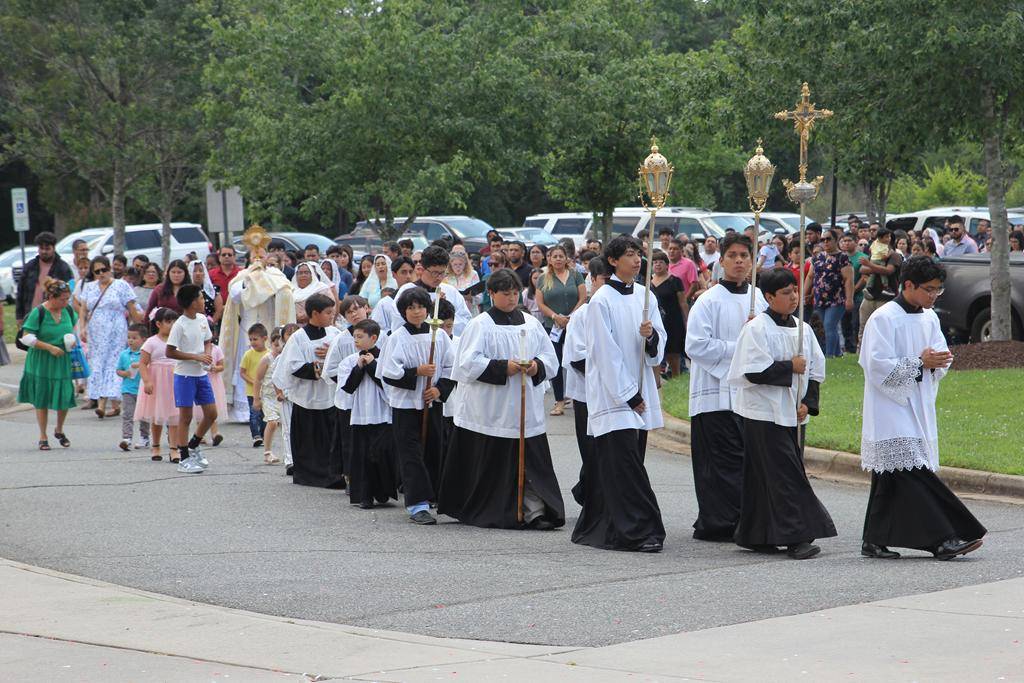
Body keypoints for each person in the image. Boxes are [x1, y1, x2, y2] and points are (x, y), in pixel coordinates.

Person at [859, 256, 986, 560]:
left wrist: (936, 361)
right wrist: (919, 363)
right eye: (929, 289)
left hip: (918, 400)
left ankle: (873, 539)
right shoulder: (884, 318)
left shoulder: (929, 317)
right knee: (914, 471)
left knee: (890, 475)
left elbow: (941, 354)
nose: (933, 296)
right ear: (907, 285)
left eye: (938, 290)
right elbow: (875, 366)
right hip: (890, 407)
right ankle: (944, 537)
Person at [439, 268, 565, 530]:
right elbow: (465, 365)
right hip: (490, 409)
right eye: (505, 293)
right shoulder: (480, 325)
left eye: (515, 292)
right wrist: (502, 367)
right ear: (492, 293)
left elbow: (550, 359)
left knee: (530, 463)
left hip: (524, 407)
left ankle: (534, 511)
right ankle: (493, 508)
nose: (511, 298)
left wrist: (535, 367)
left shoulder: (531, 324)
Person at [727, 269, 836, 559]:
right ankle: (797, 536)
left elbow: (816, 369)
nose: (794, 297)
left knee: (770, 474)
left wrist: (807, 402)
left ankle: (757, 533)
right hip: (762, 413)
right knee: (783, 475)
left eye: (795, 291)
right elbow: (752, 370)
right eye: (786, 293)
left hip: (793, 411)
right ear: (769, 296)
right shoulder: (757, 329)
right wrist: (790, 367)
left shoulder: (804, 329)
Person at [572, 236, 667, 553]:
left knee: (627, 461)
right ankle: (641, 530)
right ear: (612, 261)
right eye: (630, 254)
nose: (638, 260)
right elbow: (604, 353)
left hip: (639, 390)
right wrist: (629, 394)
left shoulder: (645, 296)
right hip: (615, 396)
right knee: (625, 465)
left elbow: (658, 344)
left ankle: (602, 524)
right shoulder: (601, 301)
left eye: (639, 254)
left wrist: (651, 337)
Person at [685, 233, 767, 542]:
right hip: (715, 394)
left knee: (746, 461)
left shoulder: (759, 299)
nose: (739, 261)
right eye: (732, 255)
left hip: (751, 393)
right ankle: (718, 521)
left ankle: (745, 518)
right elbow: (696, 345)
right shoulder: (707, 301)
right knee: (718, 465)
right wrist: (742, 349)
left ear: (751, 261)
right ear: (721, 261)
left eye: (744, 256)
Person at [376, 287, 454, 525]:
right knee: (411, 455)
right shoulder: (397, 337)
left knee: (434, 450)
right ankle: (417, 504)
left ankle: (434, 495)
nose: (417, 312)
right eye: (411, 308)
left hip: (432, 402)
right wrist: (416, 372)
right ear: (403, 311)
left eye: (420, 307)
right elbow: (388, 373)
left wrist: (439, 389)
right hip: (406, 406)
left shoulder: (438, 335)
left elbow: (452, 367)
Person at [272, 293, 342, 487]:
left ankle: (333, 474)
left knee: (329, 438)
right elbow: (292, 366)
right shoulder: (298, 338)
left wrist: (329, 357)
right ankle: (308, 475)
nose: (331, 316)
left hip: (329, 395)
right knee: (309, 439)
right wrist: (317, 368)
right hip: (307, 396)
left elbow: (344, 356)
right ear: (314, 313)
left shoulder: (335, 334)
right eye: (328, 312)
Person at [220, 247, 295, 424]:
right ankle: (245, 411)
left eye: (261, 257)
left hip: (268, 330)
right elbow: (236, 295)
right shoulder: (242, 277)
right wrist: (251, 279)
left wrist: (265, 280)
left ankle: (270, 409)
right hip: (247, 332)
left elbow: (285, 293)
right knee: (246, 368)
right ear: (248, 260)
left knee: (268, 370)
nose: (258, 260)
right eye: (255, 257)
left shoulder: (275, 276)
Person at [337, 319, 396, 508]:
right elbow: (347, 388)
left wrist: (372, 366)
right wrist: (360, 367)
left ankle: (383, 492)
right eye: (354, 336)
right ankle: (365, 495)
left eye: (360, 336)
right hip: (360, 414)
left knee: (379, 454)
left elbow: (389, 385)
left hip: (382, 413)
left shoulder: (385, 360)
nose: (356, 340)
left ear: (374, 338)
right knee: (362, 455)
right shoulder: (350, 361)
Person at [563, 258, 606, 505]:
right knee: (591, 449)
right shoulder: (582, 315)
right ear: (591, 280)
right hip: (588, 394)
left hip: (620, 393)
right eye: (605, 280)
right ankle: (591, 496)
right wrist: (611, 375)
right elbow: (578, 358)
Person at [17, 278, 77, 450]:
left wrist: (71, 342)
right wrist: (49, 347)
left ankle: (59, 429)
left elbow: (72, 329)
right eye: (63, 299)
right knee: (42, 396)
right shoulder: (39, 312)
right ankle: (43, 435)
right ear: (51, 296)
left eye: (68, 298)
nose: (66, 302)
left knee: (64, 395)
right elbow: (26, 337)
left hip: (62, 358)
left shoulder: (68, 311)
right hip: (42, 359)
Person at [79, 256, 143, 418]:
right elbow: (83, 309)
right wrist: (82, 328)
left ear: (110, 269)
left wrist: (139, 329)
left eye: (104, 270)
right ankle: (112, 404)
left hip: (116, 329)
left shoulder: (121, 285)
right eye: (97, 271)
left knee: (113, 363)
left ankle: (104, 403)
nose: (101, 274)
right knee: (98, 363)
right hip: (96, 330)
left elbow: (131, 307)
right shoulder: (89, 287)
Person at [166, 285, 218, 473]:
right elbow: (170, 351)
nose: (204, 301)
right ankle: (184, 458)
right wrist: (196, 357)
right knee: (186, 417)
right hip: (184, 375)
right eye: (201, 298)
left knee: (212, 413)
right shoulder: (179, 325)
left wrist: (207, 354)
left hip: (201, 375)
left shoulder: (203, 319)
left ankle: (194, 444)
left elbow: (207, 340)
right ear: (191, 302)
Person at [323, 295, 372, 485]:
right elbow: (330, 370)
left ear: (366, 308)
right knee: (350, 440)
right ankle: (351, 477)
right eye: (349, 312)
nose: (354, 314)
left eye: (357, 309)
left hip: (374, 395)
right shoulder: (341, 340)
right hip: (350, 397)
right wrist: (350, 380)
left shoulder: (380, 334)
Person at [535, 244, 586, 416]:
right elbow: (540, 303)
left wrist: (572, 316)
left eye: (560, 256)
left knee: (576, 359)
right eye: (554, 256)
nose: (557, 259)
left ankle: (579, 395)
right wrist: (556, 317)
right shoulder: (543, 278)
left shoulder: (576, 275)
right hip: (554, 326)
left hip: (574, 324)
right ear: (549, 259)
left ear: (566, 258)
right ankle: (559, 400)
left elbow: (583, 297)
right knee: (556, 362)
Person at [393, 245, 472, 336]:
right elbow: (398, 324)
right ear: (422, 268)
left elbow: (466, 321)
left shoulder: (451, 291)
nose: (439, 277)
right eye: (435, 273)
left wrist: (445, 312)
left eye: (442, 273)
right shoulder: (407, 291)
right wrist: (431, 310)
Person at [135, 308, 181, 461]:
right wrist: (147, 381)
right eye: (169, 322)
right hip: (157, 381)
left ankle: (174, 448)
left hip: (175, 380)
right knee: (157, 415)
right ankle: (155, 446)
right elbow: (142, 363)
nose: (172, 325)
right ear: (158, 324)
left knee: (175, 415)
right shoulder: (151, 342)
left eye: (175, 321)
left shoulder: (178, 341)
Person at [805, 228, 854, 358]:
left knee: (829, 325)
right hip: (819, 298)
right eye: (823, 239)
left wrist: (849, 299)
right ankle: (838, 354)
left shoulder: (843, 257)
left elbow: (848, 279)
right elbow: (810, 277)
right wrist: (804, 294)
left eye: (828, 239)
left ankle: (829, 355)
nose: (825, 242)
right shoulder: (817, 257)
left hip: (837, 299)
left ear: (835, 240)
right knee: (825, 327)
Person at [15, 231, 75, 327]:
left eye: (47, 249)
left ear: (54, 248)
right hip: (30, 315)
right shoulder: (30, 266)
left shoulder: (63, 268)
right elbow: (20, 292)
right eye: (41, 248)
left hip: (53, 317)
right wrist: (19, 316)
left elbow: (69, 293)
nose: (44, 251)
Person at [857, 227, 903, 347]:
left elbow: (888, 271)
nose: (886, 239)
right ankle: (860, 353)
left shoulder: (895, 256)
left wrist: (870, 266)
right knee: (863, 327)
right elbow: (862, 268)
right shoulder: (874, 252)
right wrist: (874, 267)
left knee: (883, 330)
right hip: (869, 297)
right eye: (883, 237)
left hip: (886, 298)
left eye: (888, 237)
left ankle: (882, 353)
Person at [648, 250, 687, 378]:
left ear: (666, 264)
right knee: (656, 349)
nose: (657, 265)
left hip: (673, 321)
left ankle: (676, 377)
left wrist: (686, 321)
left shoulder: (675, 281)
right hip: (655, 320)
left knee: (673, 352)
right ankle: (657, 379)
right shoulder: (649, 283)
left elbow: (683, 303)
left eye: (660, 262)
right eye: (654, 262)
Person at [116, 323, 151, 453]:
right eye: (129, 337)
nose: (130, 340)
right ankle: (127, 438)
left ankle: (144, 437)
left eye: (134, 338)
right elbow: (118, 370)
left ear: (144, 339)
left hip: (143, 389)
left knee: (144, 415)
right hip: (128, 389)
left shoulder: (146, 354)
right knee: (127, 414)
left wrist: (141, 365)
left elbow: (151, 367)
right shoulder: (124, 354)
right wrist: (124, 373)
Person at [252, 327, 284, 465]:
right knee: (272, 422)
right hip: (269, 396)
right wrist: (256, 399)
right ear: (270, 343)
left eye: (281, 345)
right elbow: (258, 379)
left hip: (283, 396)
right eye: (276, 345)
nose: (279, 348)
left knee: (287, 425)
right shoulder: (267, 359)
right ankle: (267, 451)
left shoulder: (286, 358)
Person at [276, 322, 301, 475]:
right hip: (286, 396)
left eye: (295, 333)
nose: (292, 336)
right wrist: (279, 392)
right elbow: (275, 376)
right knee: (288, 428)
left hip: (300, 395)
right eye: (288, 334)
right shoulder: (282, 356)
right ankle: (290, 460)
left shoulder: (303, 351)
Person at [240, 323, 270, 448]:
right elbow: (242, 372)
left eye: (255, 339)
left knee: (265, 415)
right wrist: (253, 381)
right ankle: (256, 436)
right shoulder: (248, 354)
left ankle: (263, 435)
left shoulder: (269, 354)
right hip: (252, 391)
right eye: (251, 339)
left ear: (265, 338)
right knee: (254, 414)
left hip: (266, 391)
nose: (252, 342)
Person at [370, 256, 415, 333]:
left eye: (411, 272)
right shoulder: (385, 303)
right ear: (394, 274)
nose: (408, 276)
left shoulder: (423, 298)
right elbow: (378, 330)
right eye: (404, 272)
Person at [189, 260, 225, 335]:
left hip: (210, 327)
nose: (198, 273)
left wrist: (210, 323)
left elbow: (219, 309)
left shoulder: (212, 290)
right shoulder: (186, 291)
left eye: (200, 271)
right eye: (194, 271)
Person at [444, 249, 480, 315]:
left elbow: (480, 298)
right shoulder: (447, 277)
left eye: (460, 264)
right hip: (453, 313)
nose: (458, 267)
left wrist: (469, 298)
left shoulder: (473, 274)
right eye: (455, 264)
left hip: (471, 313)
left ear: (465, 264)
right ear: (450, 265)